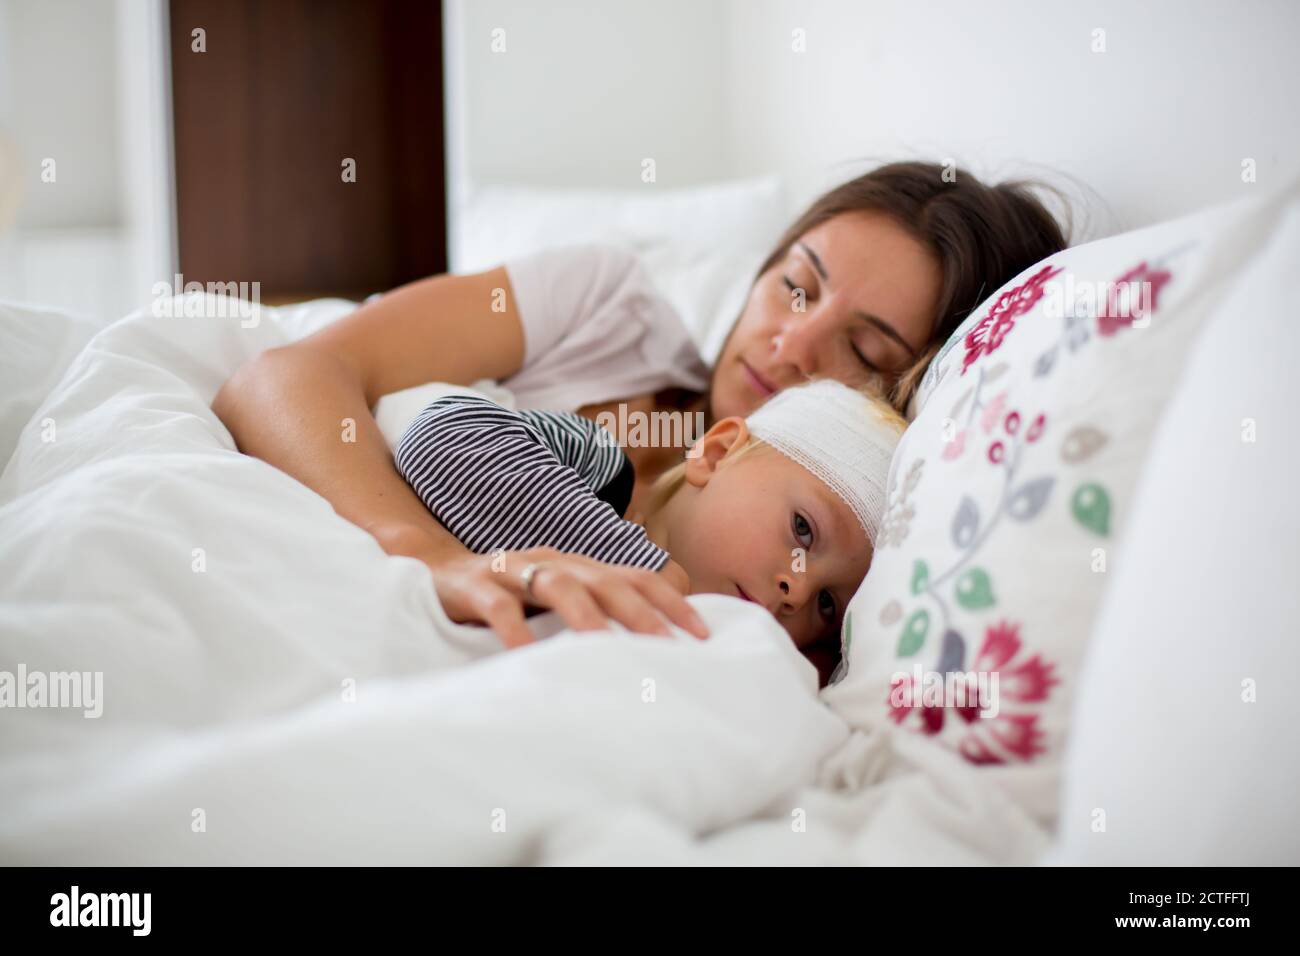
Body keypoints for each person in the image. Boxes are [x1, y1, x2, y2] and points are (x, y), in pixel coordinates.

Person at [213, 161, 1066, 651]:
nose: (791, 346)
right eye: (796, 287)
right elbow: (279, 381)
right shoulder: (606, 307)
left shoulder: (826, 560)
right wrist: (427, 554)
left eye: (866, 353)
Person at [392, 379, 904, 670]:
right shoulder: (595, 467)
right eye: (803, 531)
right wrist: (643, 567)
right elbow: (442, 434)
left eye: (827, 605)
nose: (798, 588)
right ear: (717, 452)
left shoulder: (728, 654)